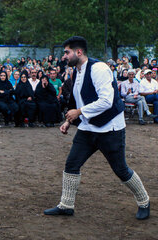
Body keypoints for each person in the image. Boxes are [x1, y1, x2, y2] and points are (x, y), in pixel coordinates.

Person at [43, 36, 150, 220]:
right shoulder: (76, 72)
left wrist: (79, 112)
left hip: (110, 129)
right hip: (87, 128)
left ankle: (144, 201)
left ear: (79, 52)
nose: (64, 56)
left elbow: (107, 101)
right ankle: (66, 205)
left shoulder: (99, 69)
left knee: (121, 170)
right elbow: (78, 101)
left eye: (67, 52)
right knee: (72, 164)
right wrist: (69, 120)